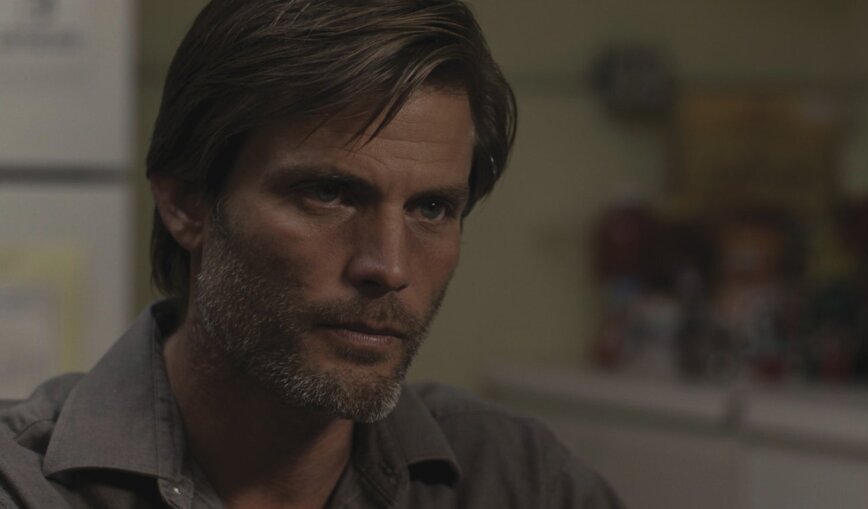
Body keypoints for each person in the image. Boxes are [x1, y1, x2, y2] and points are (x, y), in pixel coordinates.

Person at [0, 1, 623, 507]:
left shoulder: (519, 482)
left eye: (432, 208)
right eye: (329, 194)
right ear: (187, 205)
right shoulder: (26, 487)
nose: (389, 267)